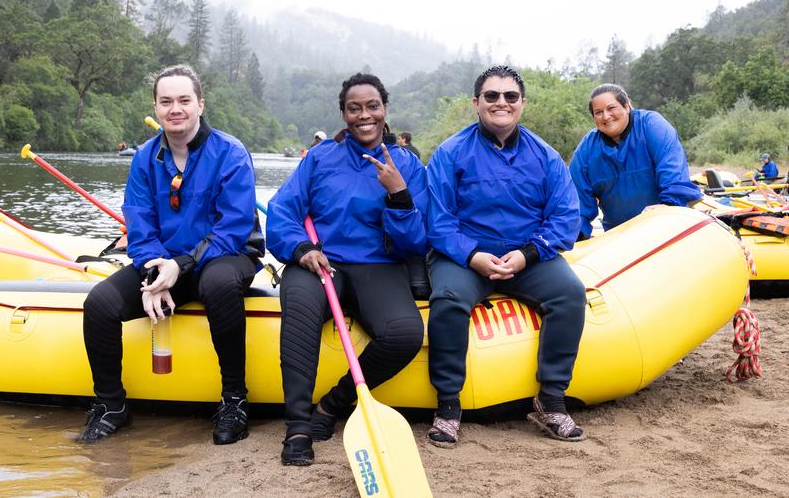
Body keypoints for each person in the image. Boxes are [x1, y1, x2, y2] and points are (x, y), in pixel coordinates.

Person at [78, 65, 264, 445]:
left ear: (200, 104)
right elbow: (140, 225)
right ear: (156, 107)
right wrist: (155, 273)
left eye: (183, 100)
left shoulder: (230, 152)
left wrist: (180, 266)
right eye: (166, 101)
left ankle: (234, 400)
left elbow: (232, 227)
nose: (174, 108)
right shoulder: (145, 158)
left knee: (217, 284)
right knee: (99, 303)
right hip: (166, 262)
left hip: (225, 256)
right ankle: (112, 404)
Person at [267, 73, 428, 465]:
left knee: (406, 334)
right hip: (323, 264)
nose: (364, 115)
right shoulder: (320, 157)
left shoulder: (406, 164)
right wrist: (301, 248)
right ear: (344, 114)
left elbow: (418, 241)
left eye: (372, 106)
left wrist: (399, 194)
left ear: (384, 110)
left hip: (380, 267)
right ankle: (299, 426)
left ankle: (331, 407)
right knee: (301, 308)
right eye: (354, 108)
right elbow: (282, 212)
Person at [425, 65, 586, 445]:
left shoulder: (545, 156)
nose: (501, 103)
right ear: (476, 103)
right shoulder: (450, 153)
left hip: (527, 256)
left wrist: (529, 254)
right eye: (492, 96)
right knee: (447, 299)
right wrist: (472, 256)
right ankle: (448, 404)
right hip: (465, 256)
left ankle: (551, 400)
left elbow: (565, 217)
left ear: (522, 104)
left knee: (570, 294)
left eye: (510, 96)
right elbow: (438, 221)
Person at [569, 83, 701, 240]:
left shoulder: (652, 125)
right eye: (598, 112)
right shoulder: (586, 150)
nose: (606, 116)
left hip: (666, 226)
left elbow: (673, 171)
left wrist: (669, 207)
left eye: (611, 108)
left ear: (626, 106)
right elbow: (577, 203)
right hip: (619, 237)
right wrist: (577, 236)